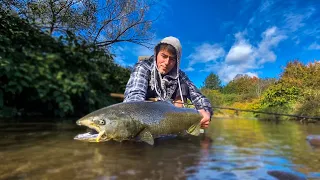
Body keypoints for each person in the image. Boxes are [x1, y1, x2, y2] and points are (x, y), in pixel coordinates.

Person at [123, 36, 213, 128]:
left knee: (184, 86)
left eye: (172, 59)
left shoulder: (181, 76)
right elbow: (135, 94)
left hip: (169, 116)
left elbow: (198, 96)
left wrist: (205, 111)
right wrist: (134, 117)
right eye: (164, 56)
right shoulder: (143, 67)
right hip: (145, 115)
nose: (166, 62)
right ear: (156, 54)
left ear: (176, 61)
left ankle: (178, 122)